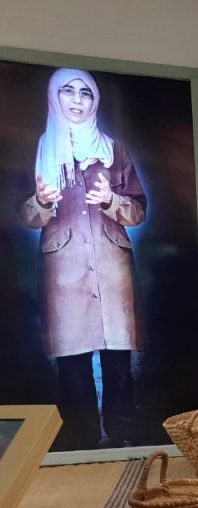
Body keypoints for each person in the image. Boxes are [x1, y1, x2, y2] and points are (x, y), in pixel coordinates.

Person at [19, 68, 146, 449]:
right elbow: (24, 217)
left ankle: (123, 439)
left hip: (112, 268)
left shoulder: (113, 150)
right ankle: (82, 444)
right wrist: (43, 201)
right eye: (68, 92)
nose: (77, 100)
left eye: (86, 93)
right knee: (72, 363)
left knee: (118, 360)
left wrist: (110, 200)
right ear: (54, 98)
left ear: (95, 101)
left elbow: (138, 211)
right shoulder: (40, 149)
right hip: (64, 270)